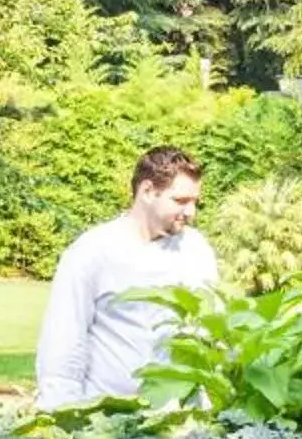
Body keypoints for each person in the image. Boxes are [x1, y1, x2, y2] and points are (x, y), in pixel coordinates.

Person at [34, 145, 218, 409]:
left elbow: (212, 331)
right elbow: (64, 342)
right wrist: (61, 417)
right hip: (107, 421)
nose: (191, 213)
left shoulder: (196, 249)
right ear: (146, 191)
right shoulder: (92, 251)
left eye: (195, 202)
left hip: (179, 424)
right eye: (180, 201)